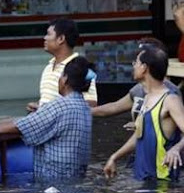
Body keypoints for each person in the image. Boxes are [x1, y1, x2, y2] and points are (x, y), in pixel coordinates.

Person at [0, 57, 94, 181]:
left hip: (55, 179)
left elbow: (22, 127)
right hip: (75, 176)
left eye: (61, 75)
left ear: (65, 79)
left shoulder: (60, 106)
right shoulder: (84, 107)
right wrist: (41, 110)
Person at [104, 46, 184, 181]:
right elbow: (139, 136)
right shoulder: (146, 98)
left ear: (144, 68)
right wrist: (115, 157)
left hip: (163, 183)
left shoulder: (170, 100)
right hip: (143, 179)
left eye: (136, 62)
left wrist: (176, 149)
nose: (134, 66)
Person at [92, 38, 181, 129]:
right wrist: (85, 111)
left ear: (145, 66)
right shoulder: (139, 89)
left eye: (138, 61)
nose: (134, 65)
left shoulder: (171, 95)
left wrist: (140, 126)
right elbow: (115, 106)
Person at [27, 18, 97, 112]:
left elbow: (91, 104)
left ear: (61, 39)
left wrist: (50, 111)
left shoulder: (79, 68)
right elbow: (49, 101)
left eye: (48, 34)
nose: (45, 38)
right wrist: (39, 107)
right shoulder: (48, 67)